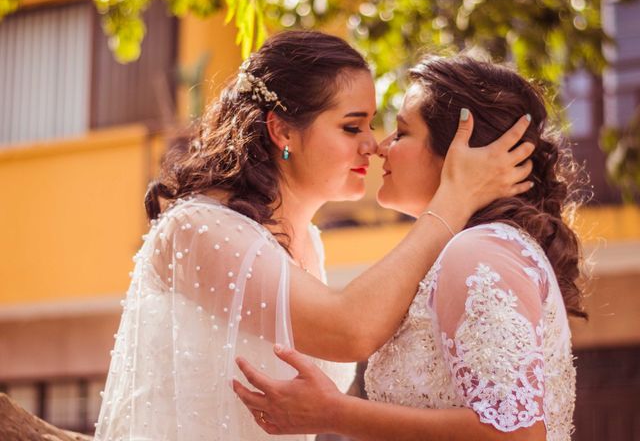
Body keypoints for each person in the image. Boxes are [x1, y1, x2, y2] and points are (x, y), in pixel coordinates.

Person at [94, 32, 534, 441]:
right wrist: (453, 201)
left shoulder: (308, 243)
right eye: (351, 127)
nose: (373, 145)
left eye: (373, 126)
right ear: (283, 131)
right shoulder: (198, 229)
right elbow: (349, 332)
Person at [233, 55, 584, 441]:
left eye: (401, 133)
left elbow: (516, 435)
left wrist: (334, 412)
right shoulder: (467, 248)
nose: (380, 146)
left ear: (457, 153)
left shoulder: (477, 251)